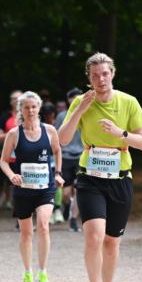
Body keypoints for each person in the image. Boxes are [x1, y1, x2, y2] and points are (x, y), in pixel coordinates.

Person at [59, 52, 142, 282]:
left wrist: (119, 134)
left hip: (120, 177)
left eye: (105, 74)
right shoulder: (80, 101)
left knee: (111, 241)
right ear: (89, 78)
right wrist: (80, 110)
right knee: (94, 236)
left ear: (113, 74)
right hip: (89, 177)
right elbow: (63, 139)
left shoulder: (129, 102)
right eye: (95, 75)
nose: (101, 79)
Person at [0, 91, 64, 282]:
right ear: (21, 110)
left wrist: (58, 173)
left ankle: (43, 273)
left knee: (44, 225)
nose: (30, 110)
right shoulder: (14, 134)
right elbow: (3, 161)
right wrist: (11, 176)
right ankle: (27, 273)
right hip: (23, 190)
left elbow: (57, 150)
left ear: (39, 108)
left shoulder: (50, 130)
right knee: (27, 232)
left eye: (34, 107)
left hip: (45, 188)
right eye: (26, 107)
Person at [55, 86, 84, 232]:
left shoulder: (88, 114)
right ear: (68, 101)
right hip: (65, 156)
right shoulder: (62, 116)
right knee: (66, 193)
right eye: (73, 99)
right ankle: (67, 204)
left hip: (81, 156)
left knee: (79, 189)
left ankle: (73, 219)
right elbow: (55, 136)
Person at [0, 90, 22, 208]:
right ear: (11, 102)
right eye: (14, 98)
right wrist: (12, 134)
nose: (17, 101)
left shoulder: (29, 115)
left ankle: (20, 202)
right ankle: (7, 198)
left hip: (26, 154)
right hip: (9, 154)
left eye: (19, 98)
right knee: (7, 179)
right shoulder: (5, 117)